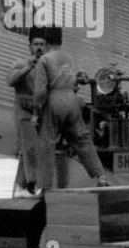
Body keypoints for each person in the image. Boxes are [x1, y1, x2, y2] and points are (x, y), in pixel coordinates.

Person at [30, 27, 110, 191]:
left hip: (54, 101)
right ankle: (100, 176)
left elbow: (40, 92)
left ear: (46, 41)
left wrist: (36, 113)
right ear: (61, 40)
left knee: (47, 144)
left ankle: (44, 188)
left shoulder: (44, 60)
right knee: (82, 140)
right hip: (71, 101)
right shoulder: (69, 58)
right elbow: (74, 80)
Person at [6, 28, 46, 194]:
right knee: (30, 149)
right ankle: (32, 185)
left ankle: (20, 187)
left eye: (42, 44)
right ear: (30, 46)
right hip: (24, 112)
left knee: (32, 150)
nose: (39, 47)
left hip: (41, 112)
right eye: (35, 44)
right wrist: (27, 68)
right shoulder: (21, 63)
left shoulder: (48, 66)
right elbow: (11, 80)